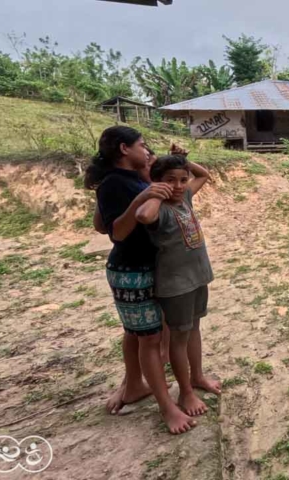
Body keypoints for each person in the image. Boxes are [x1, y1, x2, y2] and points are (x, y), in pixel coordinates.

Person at [85, 126, 196, 434]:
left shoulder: (127, 179)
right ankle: (167, 408)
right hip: (131, 271)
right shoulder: (114, 184)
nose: (147, 151)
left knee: (138, 333)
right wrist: (141, 199)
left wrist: (164, 168)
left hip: (147, 267)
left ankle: (133, 384)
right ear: (124, 149)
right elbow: (115, 233)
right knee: (149, 339)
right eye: (142, 145)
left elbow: (98, 224)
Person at [135, 154, 221, 417]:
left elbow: (204, 175)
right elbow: (142, 216)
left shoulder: (184, 199)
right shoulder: (158, 208)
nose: (179, 185)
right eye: (170, 181)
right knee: (179, 339)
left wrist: (185, 160)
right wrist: (156, 193)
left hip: (197, 277)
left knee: (194, 330)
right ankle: (185, 391)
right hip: (176, 285)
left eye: (183, 180)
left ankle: (198, 377)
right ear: (157, 182)